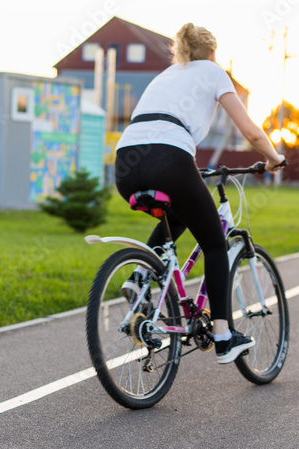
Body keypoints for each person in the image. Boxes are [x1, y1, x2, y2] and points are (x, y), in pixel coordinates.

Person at [114, 23, 287, 363]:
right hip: (170, 159)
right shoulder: (212, 70)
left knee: (179, 212)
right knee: (213, 244)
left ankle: (139, 277)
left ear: (181, 51)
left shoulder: (167, 74)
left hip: (125, 164)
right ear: (211, 53)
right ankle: (223, 336)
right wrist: (273, 158)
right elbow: (250, 131)